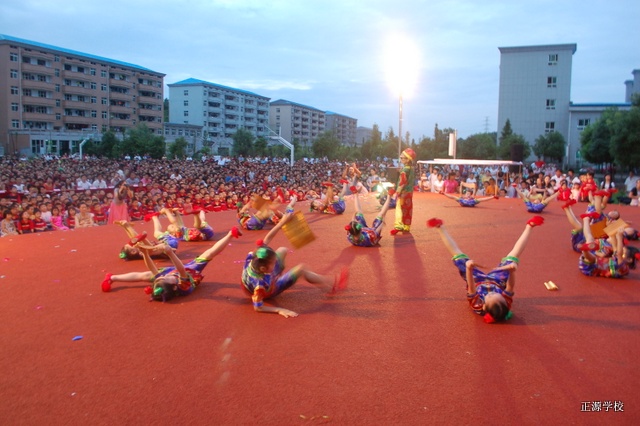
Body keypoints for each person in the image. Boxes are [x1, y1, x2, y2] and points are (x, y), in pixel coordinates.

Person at [427, 215, 544, 323]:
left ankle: (440, 227)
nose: (492, 293)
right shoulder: (505, 303)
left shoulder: (477, 304)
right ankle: (529, 226)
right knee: (513, 256)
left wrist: (469, 268)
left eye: (490, 296)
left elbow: (471, 286)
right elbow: (510, 286)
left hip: (477, 281)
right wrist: (512, 270)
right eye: (498, 295)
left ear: (484, 306)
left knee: (458, 256)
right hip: (497, 281)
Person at [241, 211, 348, 318]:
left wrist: (282, 222)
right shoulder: (259, 285)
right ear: (264, 269)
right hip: (269, 290)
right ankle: (332, 285)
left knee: (282, 250)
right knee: (301, 269)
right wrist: (279, 310)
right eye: (273, 263)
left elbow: (267, 238)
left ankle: (278, 275)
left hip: (258, 278)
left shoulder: (254, 256)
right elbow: (258, 307)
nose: (275, 262)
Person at [101, 226, 242, 300]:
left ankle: (112, 277)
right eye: (165, 278)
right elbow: (181, 269)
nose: (163, 276)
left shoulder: (164, 279)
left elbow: (153, 269)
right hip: (190, 272)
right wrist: (170, 253)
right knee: (209, 254)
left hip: (175, 272)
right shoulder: (184, 286)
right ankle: (231, 234)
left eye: (161, 278)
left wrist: (145, 254)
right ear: (175, 286)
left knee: (145, 275)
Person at [345, 181, 392, 247]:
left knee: (358, 213)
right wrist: (382, 223)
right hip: (372, 235)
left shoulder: (349, 235)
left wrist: (355, 214)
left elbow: (352, 223)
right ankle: (389, 196)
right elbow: (376, 231)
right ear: (360, 230)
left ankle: (355, 194)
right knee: (381, 215)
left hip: (364, 232)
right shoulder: (370, 237)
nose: (356, 238)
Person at [389, 148, 416, 235]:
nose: (400, 159)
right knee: (408, 209)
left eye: (402, 157)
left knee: (399, 209)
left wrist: (397, 192)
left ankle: (398, 226)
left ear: (407, 160)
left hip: (403, 192)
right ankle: (406, 226)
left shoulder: (404, 170)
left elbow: (402, 182)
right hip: (409, 193)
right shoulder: (411, 169)